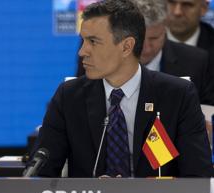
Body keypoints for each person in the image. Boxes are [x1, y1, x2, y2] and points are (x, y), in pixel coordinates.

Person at [32, 0, 213, 177]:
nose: (82, 51)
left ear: (127, 47)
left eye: (93, 41)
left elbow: (198, 177)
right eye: (84, 41)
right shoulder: (68, 96)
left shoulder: (178, 94)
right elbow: (42, 173)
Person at [136, 0, 212, 105]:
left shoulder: (196, 61)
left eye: (154, 38)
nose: (146, 48)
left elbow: (208, 110)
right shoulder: (108, 61)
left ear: (164, 30)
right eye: (139, 38)